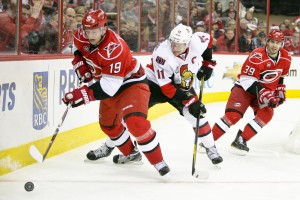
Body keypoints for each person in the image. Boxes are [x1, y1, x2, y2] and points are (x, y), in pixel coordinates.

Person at [87, 23, 223, 166]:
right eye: (173, 43)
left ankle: (211, 148)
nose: (175, 47)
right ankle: (110, 147)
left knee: (196, 115)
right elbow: (167, 89)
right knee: (126, 118)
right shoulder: (163, 53)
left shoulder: (196, 40)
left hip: (180, 85)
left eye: (180, 44)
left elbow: (208, 40)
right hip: (154, 85)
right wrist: (190, 101)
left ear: (188, 43)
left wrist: (208, 64)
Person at [62, 9, 170, 176]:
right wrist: (79, 63)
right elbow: (77, 46)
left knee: (135, 122)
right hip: (108, 81)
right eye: (87, 30)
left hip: (131, 82)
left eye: (94, 31)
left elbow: (109, 87)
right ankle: (131, 154)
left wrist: (81, 94)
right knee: (108, 125)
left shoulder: (115, 48)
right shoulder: (81, 34)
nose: (89, 34)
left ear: (104, 28)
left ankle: (159, 162)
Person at [211, 30, 291, 155]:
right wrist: (264, 93)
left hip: (263, 92)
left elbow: (280, 76)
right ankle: (208, 141)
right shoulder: (257, 55)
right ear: (267, 42)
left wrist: (280, 89)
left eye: (278, 43)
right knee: (233, 116)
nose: (275, 45)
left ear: (282, 44)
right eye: (272, 42)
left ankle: (241, 140)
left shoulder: (286, 57)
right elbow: (246, 79)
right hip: (244, 89)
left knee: (266, 115)